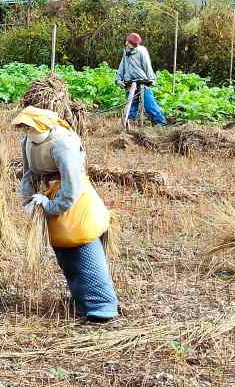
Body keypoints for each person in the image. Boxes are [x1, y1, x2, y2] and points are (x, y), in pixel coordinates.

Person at [13, 106, 119, 322]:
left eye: (30, 126)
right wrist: (28, 201)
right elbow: (28, 174)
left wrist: (52, 206)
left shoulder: (62, 142)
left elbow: (72, 186)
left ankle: (102, 306)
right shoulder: (28, 143)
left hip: (75, 203)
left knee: (82, 244)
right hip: (50, 197)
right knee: (65, 253)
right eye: (24, 127)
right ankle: (82, 301)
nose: (27, 130)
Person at [115, 32, 168, 126]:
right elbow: (122, 66)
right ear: (127, 42)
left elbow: (147, 66)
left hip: (142, 82)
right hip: (130, 83)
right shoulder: (125, 52)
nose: (130, 47)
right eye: (129, 44)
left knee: (149, 104)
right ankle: (130, 123)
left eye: (133, 46)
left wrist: (151, 79)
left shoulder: (141, 51)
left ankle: (161, 121)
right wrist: (118, 79)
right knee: (131, 106)